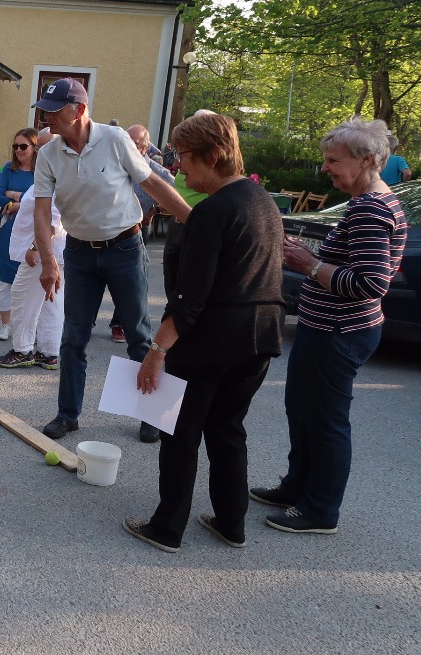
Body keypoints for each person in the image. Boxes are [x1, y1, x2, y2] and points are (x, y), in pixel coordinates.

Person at [121, 112, 286, 552]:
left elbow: (189, 298)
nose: (178, 166)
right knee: (228, 428)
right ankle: (232, 523)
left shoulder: (212, 212)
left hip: (212, 341)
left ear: (212, 156)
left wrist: (157, 351)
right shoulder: (263, 201)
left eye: (184, 156)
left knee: (179, 432)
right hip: (260, 337)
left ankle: (166, 528)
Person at [252, 117, 408, 535]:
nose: (325, 168)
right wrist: (309, 252)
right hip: (327, 328)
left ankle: (320, 511)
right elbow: (352, 261)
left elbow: (371, 283)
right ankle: (296, 488)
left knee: (324, 420)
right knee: (303, 411)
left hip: (339, 332)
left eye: (333, 161)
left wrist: (310, 264)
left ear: (367, 160)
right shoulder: (367, 203)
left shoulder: (371, 208)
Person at [30, 78, 191, 443]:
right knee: (73, 339)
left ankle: (150, 414)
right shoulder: (49, 153)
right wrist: (49, 261)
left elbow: (153, 184)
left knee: (138, 335)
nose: (46, 118)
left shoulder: (115, 139)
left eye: (54, 111)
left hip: (124, 249)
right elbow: (41, 212)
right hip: (79, 253)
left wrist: (193, 219)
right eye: (44, 111)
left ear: (79, 110)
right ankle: (67, 415)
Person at [107, 125, 177, 343]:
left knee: (129, 281)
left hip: (135, 231)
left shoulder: (157, 171)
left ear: (146, 147)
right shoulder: (113, 163)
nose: (127, 146)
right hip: (106, 227)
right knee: (96, 276)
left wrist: (155, 210)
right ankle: (86, 321)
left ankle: (119, 324)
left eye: (134, 143)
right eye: (126, 141)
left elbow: (176, 195)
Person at [0, 167, 66, 370]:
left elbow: (53, 219)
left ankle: (22, 350)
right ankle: (49, 352)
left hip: (43, 252)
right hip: (53, 250)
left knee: (22, 295)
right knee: (51, 300)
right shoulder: (55, 175)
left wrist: (35, 247)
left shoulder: (54, 178)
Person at [0, 129, 38, 340]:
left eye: (23, 146)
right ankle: (5, 324)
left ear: (34, 148)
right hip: (7, 229)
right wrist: (19, 200)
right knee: (5, 278)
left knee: (29, 280)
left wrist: (16, 198)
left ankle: (28, 325)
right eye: (15, 146)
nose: (18, 150)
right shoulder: (9, 169)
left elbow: (43, 200)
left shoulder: (41, 172)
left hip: (31, 231)